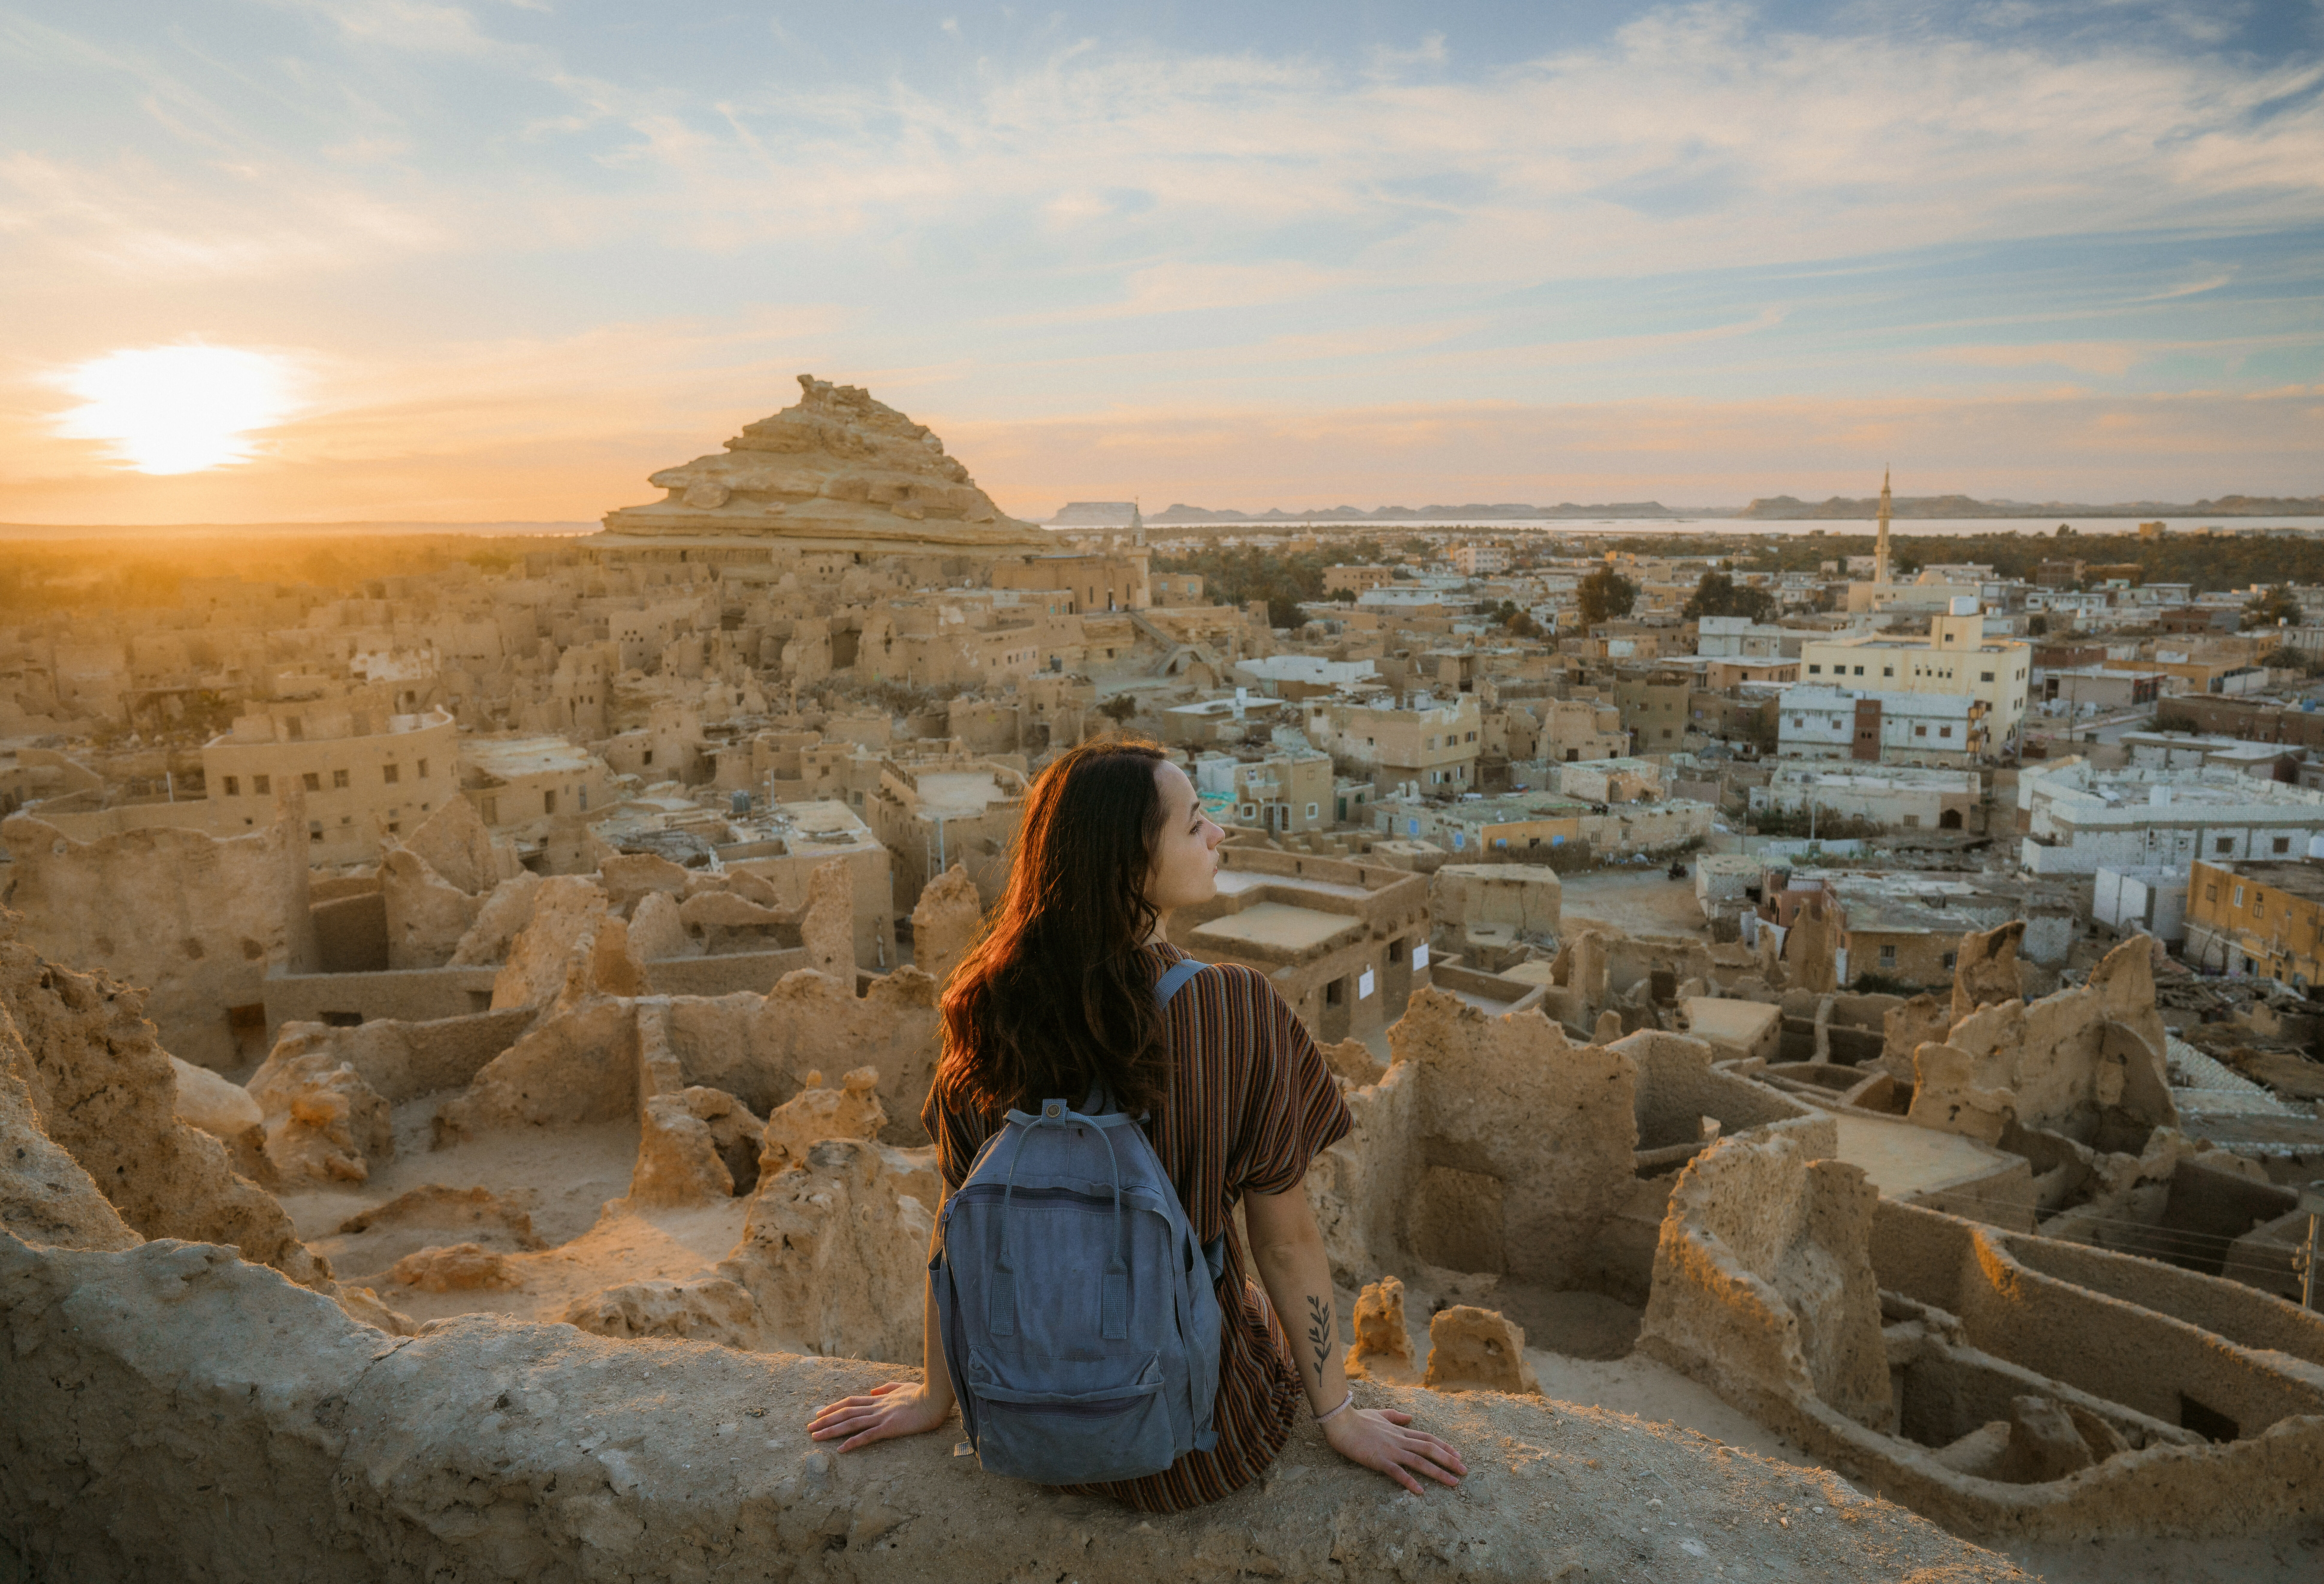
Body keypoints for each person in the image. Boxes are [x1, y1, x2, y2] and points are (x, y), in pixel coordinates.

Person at [808, 738, 1465, 1509]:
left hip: (1019, 1426)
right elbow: (1286, 1242)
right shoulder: (1234, 1009)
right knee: (1248, 1301)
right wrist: (1341, 1415)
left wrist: (933, 1398)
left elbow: (959, 1227)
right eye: (1194, 826)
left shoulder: (983, 1010)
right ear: (1130, 864)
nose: (1218, 835)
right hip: (1198, 1443)